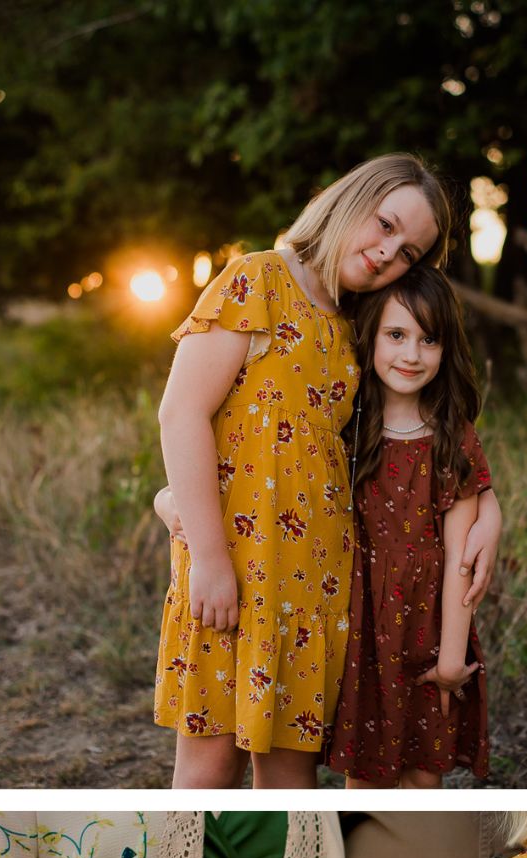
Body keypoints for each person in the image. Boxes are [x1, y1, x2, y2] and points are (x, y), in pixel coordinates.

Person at [152, 153, 455, 789]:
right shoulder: (257, 279)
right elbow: (182, 413)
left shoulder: (360, 324)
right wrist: (206, 555)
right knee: (208, 769)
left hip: (316, 580)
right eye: (384, 224)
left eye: (407, 253)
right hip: (232, 560)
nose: (386, 252)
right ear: (350, 201)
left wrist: (484, 507)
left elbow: (421, 425)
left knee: (291, 782)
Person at [327, 266, 496, 787]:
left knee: (424, 775)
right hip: (362, 630)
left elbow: (461, 559)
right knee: (366, 776)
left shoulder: (451, 437)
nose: (411, 355)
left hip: (428, 624)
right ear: (371, 333)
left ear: (446, 349)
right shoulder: (346, 426)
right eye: (396, 335)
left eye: (428, 340)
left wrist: (450, 659)